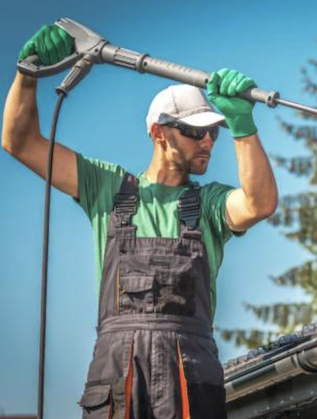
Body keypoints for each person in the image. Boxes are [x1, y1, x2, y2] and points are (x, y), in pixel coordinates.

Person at [2, 24, 278, 418]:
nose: (207, 143)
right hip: (119, 372)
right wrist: (27, 75)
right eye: (194, 132)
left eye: (213, 134)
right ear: (158, 133)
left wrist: (243, 128)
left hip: (190, 370)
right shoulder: (108, 188)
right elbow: (21, 142)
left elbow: (259, 203)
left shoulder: (210, 203)